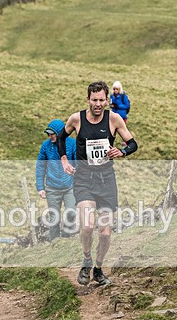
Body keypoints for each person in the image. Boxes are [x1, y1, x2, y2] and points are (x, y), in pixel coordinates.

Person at [57, 80, 138, 286]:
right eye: (94, 100)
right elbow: (60, 138)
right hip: (84, 178)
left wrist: (122, 151)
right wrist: (64, 159)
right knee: (86, 226)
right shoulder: (77, 119)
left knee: (105, 231)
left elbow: (133, 143)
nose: (98, 104)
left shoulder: (114, 119)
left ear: (107, 100)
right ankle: (86, 260)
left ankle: (98, 269)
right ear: (88, 100)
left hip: (106, 179)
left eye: (102, 100)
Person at [36, 119, 77, 242]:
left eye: (52, 134)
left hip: (70, 187)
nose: (50, 136)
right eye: (48, 134)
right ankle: (54, 244)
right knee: (54, 218)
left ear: (60, 133)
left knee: (71, 213)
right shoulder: (45, 146)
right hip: (52, 188)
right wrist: (40, 187)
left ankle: (66, 237)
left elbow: (79, 163)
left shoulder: (72, 144)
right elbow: (40, 166)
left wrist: (76, 173)